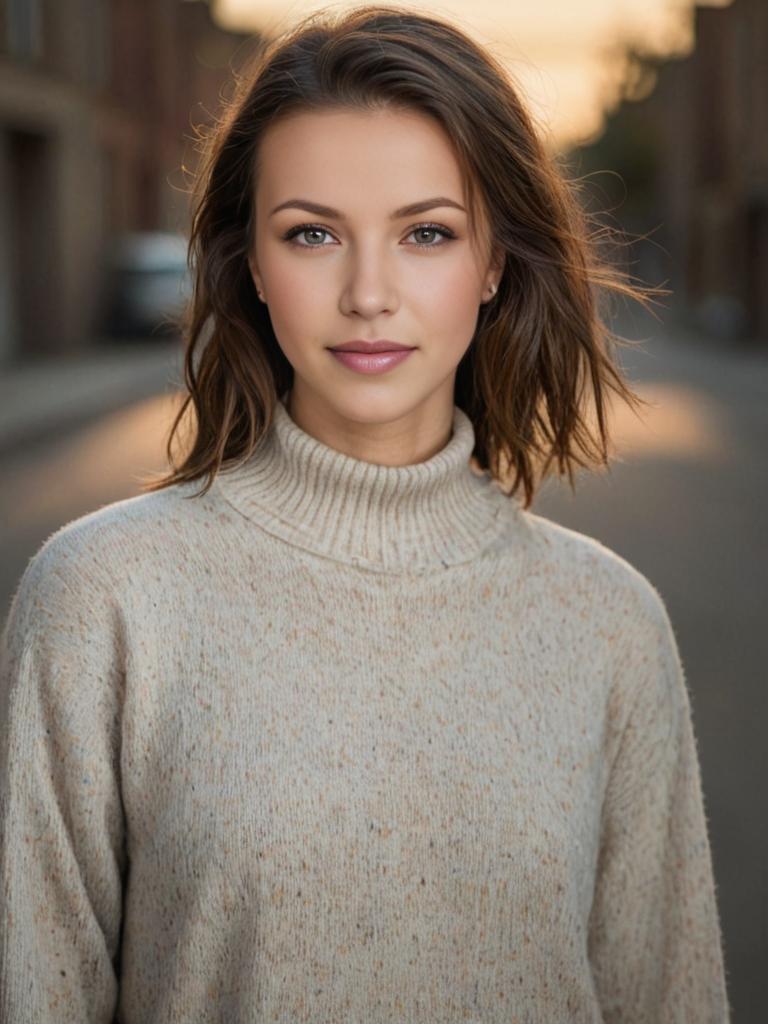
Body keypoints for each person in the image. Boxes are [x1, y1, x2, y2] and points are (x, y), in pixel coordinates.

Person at [0, 4, 731, 1021]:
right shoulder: (104, 596)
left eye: (427, 232)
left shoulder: (609, 620)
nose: (369, 292)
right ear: (252, 264)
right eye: (312, 234)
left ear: (492, 265)